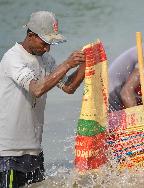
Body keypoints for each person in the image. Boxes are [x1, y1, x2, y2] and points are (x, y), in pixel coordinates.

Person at [0, 11, 86, 187]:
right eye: (44, 42)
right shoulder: (13, 58)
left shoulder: (47, 60)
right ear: (31, 35)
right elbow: (37, 89)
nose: (47, 48)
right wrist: (67, 64)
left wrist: (86, 64)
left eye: (50, 43)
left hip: (34, 151)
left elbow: (68, 87)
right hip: (8, 152)